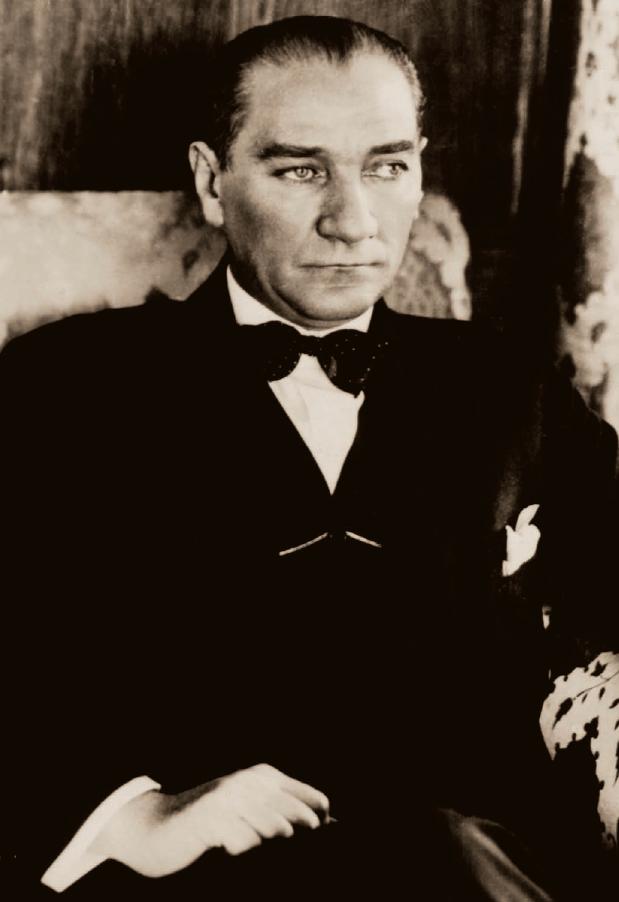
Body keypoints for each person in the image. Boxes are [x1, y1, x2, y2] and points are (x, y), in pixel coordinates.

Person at [1, 15, 617, 901]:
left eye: (386, 167)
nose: (352, 221)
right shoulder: (62, 387)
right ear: (211, 182)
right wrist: (130, 815)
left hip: (485, 863)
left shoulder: (506, 386)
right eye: (301, 170)